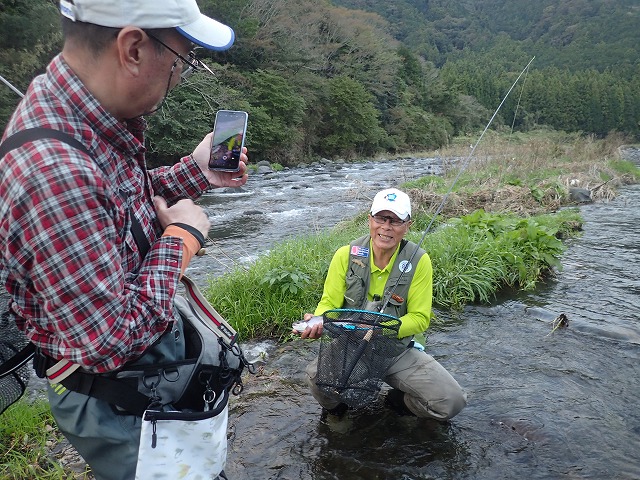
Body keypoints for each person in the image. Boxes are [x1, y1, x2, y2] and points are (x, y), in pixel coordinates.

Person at [0, 1, 247, 479]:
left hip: (136, 382)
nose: (179, 77)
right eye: (182, 61)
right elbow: (110, 340)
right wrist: (182, 238)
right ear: (133, 48)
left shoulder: (81, 111)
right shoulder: (53, 171)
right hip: (113, 396)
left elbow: (114, 206)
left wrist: (194, 173)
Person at [296, 188, 467, 421]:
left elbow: (420, 318)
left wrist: (377, 330)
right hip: (351, 347)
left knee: (450, 401)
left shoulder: (419, 261)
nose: (386, 227)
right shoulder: (345, 255)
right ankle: (337, 411)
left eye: (396, 220)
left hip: (397, 351)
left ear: (408, 225)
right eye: (381, 218)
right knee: (316, 378)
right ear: (370, 220)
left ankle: (397, 404)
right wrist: (318, 321)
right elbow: (329, 304)